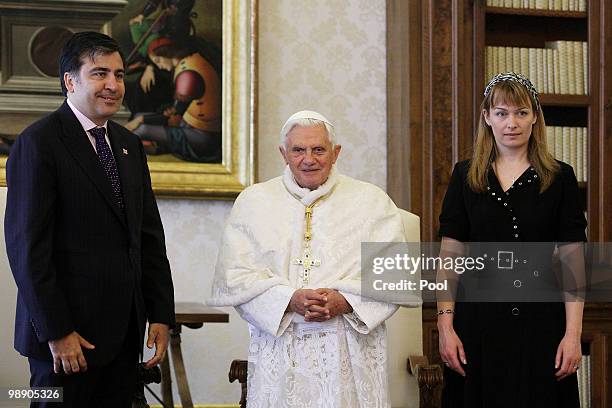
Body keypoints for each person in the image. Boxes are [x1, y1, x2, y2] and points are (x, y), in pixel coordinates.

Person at [4, 31, 175, 407]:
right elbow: (27, 249)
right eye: (100, 74)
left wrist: (161, 314)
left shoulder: (128, 145)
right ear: (70, 80)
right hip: (67, 342)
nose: (113, 85)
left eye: (118, 74)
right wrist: (57, 330)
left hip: (124, 335)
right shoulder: (39, 143)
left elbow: (148, 238)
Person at [208, 110, 413, 407]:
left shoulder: (371, 201)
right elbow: (236, 278)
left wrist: (343, 301)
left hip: (348, 347)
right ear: (284, 153)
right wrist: (290, 299)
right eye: (298, 150)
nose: (309, 159)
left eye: (318, 149)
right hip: (280, 349)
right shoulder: (254, 202)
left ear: (335, 152)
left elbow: (395, 276)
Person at [436, 72, 586, 407]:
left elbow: (572, 260)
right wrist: (445, 326)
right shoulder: (464, 175)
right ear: (487, 117)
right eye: (501, 113)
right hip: (476, 325)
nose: (511, 123)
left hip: (542, 325)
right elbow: (450, 256)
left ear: (535, 117)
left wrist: (572, 335)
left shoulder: (560, 177)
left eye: (521, 112)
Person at [124, 36, 221, 163]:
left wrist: (140, 120)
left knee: (140, 129)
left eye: (158, 60)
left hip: (202, 136)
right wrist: (139, 118)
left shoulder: (187, 75)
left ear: (168, 53)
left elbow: (172, 117)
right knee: (137, 117)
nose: (159, 66)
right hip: (188, 125)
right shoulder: (191, 61)